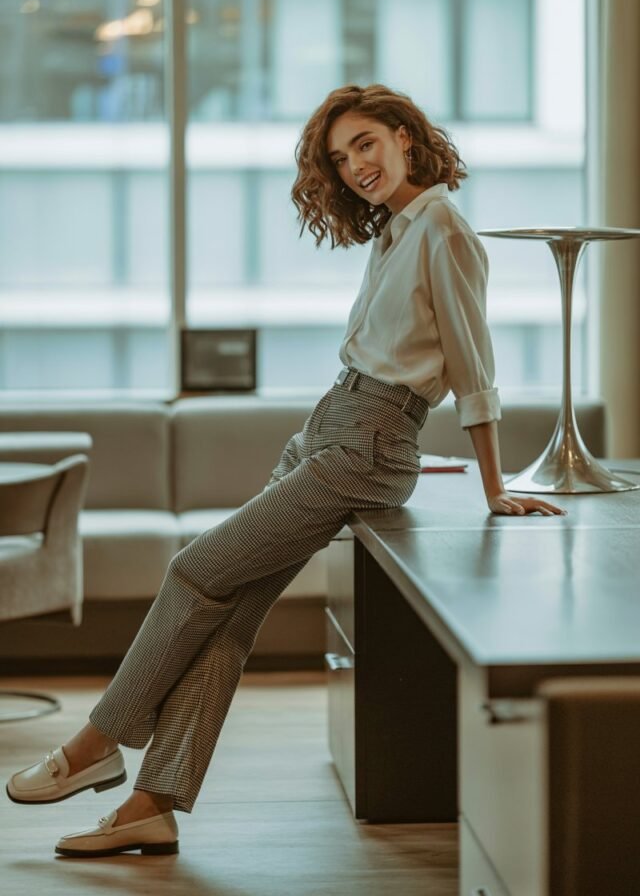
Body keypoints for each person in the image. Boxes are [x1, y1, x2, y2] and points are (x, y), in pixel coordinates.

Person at [6, 83, 566, 857]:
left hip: (362, 443)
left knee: (195, 569)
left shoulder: (441, 223)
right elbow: (399, 354)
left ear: (406, 135)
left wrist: (495, 486)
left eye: (366, 142)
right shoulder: (394, 232)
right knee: (229, 613)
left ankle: (96, 742)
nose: (356, 166)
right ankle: (151, 804)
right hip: (332, 426)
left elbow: (473, 365)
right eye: (341, 157)